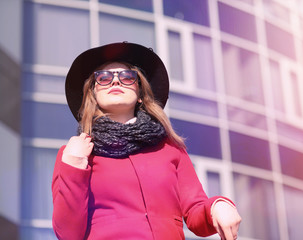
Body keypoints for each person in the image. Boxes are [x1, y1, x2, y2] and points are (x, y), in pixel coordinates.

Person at [52, 42, 241, 240]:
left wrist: (218, 206)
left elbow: (195, 212)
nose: (115, 82)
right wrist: (74, 164)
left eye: (126, 77)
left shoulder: (170, 148)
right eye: (104, 78)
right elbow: (68, 233)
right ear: (93, 93)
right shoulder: (75, 154)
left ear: (141, 94)